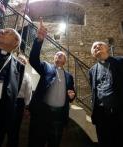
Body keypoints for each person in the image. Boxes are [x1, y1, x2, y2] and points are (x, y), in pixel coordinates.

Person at [28, 18, 76, 147]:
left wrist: (72, 96)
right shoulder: (46, 67)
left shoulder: (69, 76)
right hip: (42, 114)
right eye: (57, 54)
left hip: (58, 118)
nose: (59, 55)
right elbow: (33, 60)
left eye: (62, 55)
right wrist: (39, 40)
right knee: (35, 143)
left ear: (65, 60)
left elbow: (71, 93)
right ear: (54, 58)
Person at [89, 41, 123, 147]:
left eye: (100, 45)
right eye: (94, 47)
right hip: (102, 116)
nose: (97, 46)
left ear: (107, 48)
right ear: (92, 53)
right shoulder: (92, 71)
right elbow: (94, 91)